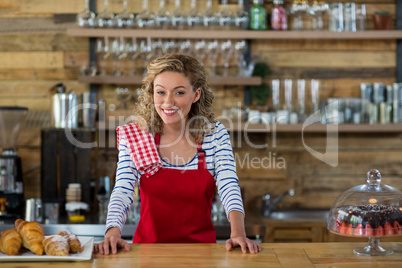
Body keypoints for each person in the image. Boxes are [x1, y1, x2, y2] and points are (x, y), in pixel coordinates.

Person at [95, 54, 261, 255]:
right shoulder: (139, 136)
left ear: (196, 94)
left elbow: (228, 184)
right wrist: (112, 233)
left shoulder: (214, 135)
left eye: (179, 93)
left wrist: (238, 232)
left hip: (202, 254)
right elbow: (123, 189)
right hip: (147, 254)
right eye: (160, 92)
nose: (168, 102)